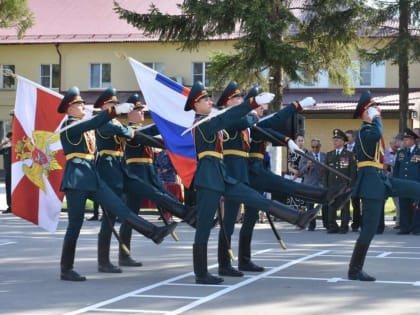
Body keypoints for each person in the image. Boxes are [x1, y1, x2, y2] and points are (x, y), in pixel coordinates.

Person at [185, 81, 320, 285]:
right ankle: (201, 273)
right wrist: (253, 102)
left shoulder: (211, 119)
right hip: (208, 177)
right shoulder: (202, 122)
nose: (210, 101)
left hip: (221, 173)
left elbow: (243, 120)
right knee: (204, 226)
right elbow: (230, 116)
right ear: (195, 104)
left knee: (255, 198)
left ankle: (298, 217)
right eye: (205, 99)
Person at [58, 87, 176, 281]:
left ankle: (153, 232)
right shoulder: (69, 127)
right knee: (75, 224)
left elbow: (113, 130)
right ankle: (66, 268)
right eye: (78, 104)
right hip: (76, 179)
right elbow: (97, 122)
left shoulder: (84, 124)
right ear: (69, 108)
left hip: (92, 176)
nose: (82, 106)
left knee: (119, 207)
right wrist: (115, 111)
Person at [347, 90, 420, 281]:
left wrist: (374, 115)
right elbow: (378, 132)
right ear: (366, 111)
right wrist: (376, 117)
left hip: (381, 178)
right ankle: (354, 270)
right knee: (369, 229)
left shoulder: (369, 130)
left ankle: (354, 269)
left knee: (415, 188)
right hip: (371, 183)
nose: (378, 110)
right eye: (373, 107)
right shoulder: (365, 131)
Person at [119, 94, 197, 267]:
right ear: (129, 113)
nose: (141, 113)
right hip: (136, 172)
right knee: (131, 215)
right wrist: (167, 120)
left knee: (164, 196)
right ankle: (124, 254)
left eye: (142, 110)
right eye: (138, 110)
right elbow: (149, 133)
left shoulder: (139, 128)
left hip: (149, 170)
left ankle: (191, 217)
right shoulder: (128, 130)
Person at [324, 129, 357, 234]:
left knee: (344, 207)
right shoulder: (329, 155)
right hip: (332, 185)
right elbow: (325, 172)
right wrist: (326, 186)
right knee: (331, 207)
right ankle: (332, 226)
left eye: (337, 140)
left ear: (343, 142)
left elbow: (352, 172)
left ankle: (344, 227)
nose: (335, 142)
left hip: (344, 185)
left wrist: (350, 186)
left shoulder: (349, 155)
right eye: (334, 140)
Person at [393, 128, 420, 235]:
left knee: (416, 207)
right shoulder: (401, 153)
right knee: (404, 206)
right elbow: (397, 168)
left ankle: (416, 228)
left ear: (414, 140)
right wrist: (395, 181)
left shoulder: (418, 152)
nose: (405, 141)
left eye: (407, 139)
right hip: (402, 184)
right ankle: (405, 227)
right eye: (404, 139)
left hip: (415, 184)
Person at [299, 138, 327, 230]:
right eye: (313, 147)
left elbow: (328, 170)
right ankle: (311, 225)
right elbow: (301, 171)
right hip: (310, 184)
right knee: (310, 206)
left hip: (321, 184)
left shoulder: (325, 156)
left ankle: (326, 224)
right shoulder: (306, 156)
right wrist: (307, 166)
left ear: (320, 146)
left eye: (317, 147)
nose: (315, 149)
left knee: (324, 205)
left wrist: (324, 169)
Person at [383, 136, 401, 229]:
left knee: (398, 202)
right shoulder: (385, 152)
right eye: (395, 143)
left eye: (398, 143)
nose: (397, 145)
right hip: (386, 180)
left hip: (396, 180)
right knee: (382, 201)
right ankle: (380, 222)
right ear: (391, 143)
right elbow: (385, 165)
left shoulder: (400, 153)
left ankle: (398, 222)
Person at [345, 129, 361, 232]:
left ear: (353, 137)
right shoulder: (344, 148)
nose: (346, 139)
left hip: (356, 178)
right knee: (345, 202)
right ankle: (344, 223)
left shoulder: (359, 148)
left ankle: (356, 223)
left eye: (348, 137)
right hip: (345, 178)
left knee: (356, 203)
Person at [0, 131, 12, 214]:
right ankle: (10, 206)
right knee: (8, 189)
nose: (11, 140)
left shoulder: (18, 149)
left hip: (17, 174)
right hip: (8, 173)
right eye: (10, 139)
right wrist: (4, 143)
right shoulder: (6, 149)